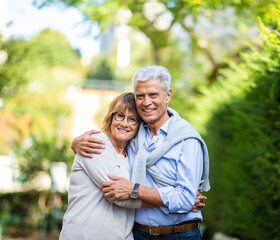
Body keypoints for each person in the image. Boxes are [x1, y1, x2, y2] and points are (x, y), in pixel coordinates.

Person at [72, 65, 210, 239]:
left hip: (178, 235)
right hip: (138, 234)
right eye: (140, 96)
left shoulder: (187, 140)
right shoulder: (133, 136)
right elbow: (107, 161)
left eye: (153, 95)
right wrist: (75, 144)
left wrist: (135, 189)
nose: (146, 102)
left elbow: (183, 199)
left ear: (167, 95)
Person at [60, 93, 158, 239]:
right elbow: (119, 195)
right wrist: (174, 201)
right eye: (119, 116)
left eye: (132, 119)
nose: (124, 123)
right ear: (111, 117)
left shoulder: (132, 155)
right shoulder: (97, 143)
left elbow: (134, 190)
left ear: (139, 126)